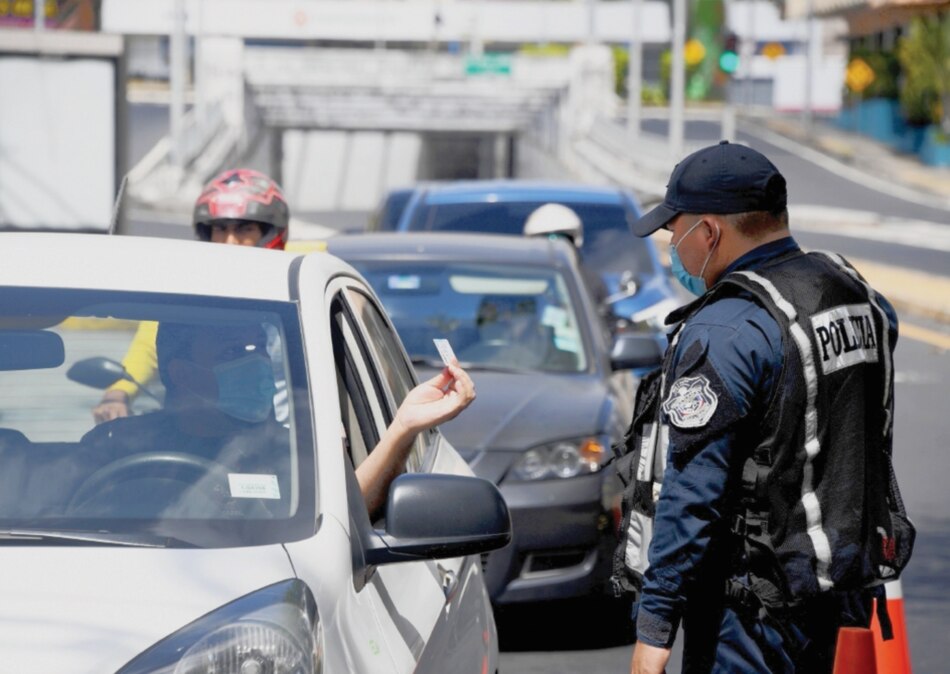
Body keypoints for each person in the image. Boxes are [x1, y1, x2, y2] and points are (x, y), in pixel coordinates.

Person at [611, 141, 914, 673]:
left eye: (673, 231)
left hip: (747, 617)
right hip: (835, 592)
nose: (672, 247)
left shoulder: (727, 329)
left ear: (709, 232)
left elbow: (692, 494)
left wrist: (654, 630)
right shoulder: (853, 293)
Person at [83, 320, 475, 519]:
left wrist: (403, 428)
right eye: (232, 352)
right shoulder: (117, 445)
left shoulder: (293, 454)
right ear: (183, 374)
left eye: (257, 349)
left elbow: (346, 521)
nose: (255, 362)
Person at [92, 168, 291, 423]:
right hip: (212, 432)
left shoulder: (298, 286)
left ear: (271, 235)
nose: (230, 242)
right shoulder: (192, 290)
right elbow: (148, 346)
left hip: (296, 441)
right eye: (220, 229)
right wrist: (117, 395)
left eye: (245, 229)